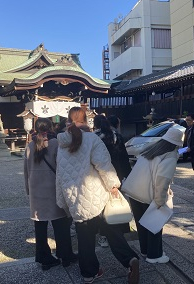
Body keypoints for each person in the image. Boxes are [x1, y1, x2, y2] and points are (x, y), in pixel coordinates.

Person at [56, 107, 140, 284]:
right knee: (112, 231)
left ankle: (89, 273)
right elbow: (104, 165)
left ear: (68, 120)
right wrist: (114, 185)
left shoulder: (62, 143)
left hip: (76, 198)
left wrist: (62, 200)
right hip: (97, 195)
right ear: (86, 120)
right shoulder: (92, 139)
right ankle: (130, 260)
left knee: (85, 238)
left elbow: (60, 175)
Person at [122, 125, 184, 264]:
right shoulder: (170, 155)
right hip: (147, 195)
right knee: (154, 225)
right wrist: (160, 201)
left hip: (134, 192)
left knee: (141, 224)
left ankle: (145, 251)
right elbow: (162, 181)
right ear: (177, 143)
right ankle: (154, 255)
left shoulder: (151, 149)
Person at [24, 118, 77, 271]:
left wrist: (28, 190)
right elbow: (61, 167)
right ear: (51, 128)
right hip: (53, 190)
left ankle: (44, 257)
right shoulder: (55, 144)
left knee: (40, 227)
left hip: (36, 191)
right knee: (61, 224)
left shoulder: (30, 146)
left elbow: (26, 170)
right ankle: (65, 254)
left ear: (35, 128)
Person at [93, 114, 132, 247]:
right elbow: (124, 158)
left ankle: (103, 235)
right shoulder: (117, 136)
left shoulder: (94, 137)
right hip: (117, 174)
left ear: (95, 124)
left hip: (98, 175)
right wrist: (127, 174)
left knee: (102, 206)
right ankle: (120, 231)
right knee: (116, 202)